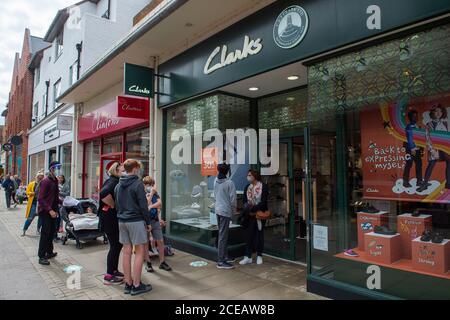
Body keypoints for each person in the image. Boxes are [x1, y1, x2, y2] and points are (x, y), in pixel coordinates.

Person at [115, 159, 152, 296]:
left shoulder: (118, 185)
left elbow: (117, 204)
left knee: (126, 252)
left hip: (122, 221)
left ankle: (128, 283)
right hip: (135, 220)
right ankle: (136, 285)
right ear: (135, 168)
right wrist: (148, 223)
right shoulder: (137, 184)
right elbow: (143, 206)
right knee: (140, 252)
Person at [99, 161, 125, 285]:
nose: (124, 172)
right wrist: (113, 205)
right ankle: (109, 275)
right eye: (122, 170)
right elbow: (103, 193)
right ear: (116, 171)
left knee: (117, 245)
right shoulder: (113, 181)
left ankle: (114, 270)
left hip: (110, 219)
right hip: (110, 219)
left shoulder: (113, 180)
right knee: (115, 246)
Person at [142, 176, 172, 273]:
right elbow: (145, 205)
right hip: (145, 221)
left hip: (155, 220)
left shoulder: (156, 194)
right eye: (148, 185)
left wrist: (152, 206)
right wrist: (151, 195)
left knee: (160, 240)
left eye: (152, 184)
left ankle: (162, 262)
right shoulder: (142, 193)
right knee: (146, 242)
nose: (150, 186)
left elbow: (160, 203)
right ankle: (148, 262)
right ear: (145, 185)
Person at [418, 104, 450, 192]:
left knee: (449, 161)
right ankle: (425, 184)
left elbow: (447, 136)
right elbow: (427, 138)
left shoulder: (445, 123)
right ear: (432, 113)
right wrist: (432, 150)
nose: (439, 113)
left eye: (440, 111)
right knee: (431, 163)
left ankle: (448, 183)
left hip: (444, 148)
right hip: (434, 148)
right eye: (436, 111)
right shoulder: (429, 124)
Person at [239, 170, 269, 266]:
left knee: (259, 236)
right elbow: (244, 202)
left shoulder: (263, 186)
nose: (248, 177)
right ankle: (247, 257)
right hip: (249, 216)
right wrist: (248, 210)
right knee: (249, 236)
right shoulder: (247, 187)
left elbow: (264, 202)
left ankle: (259, 255)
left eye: (249, 175)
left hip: (259, 214)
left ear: (255, 176)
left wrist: (253, 208)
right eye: (247, 175)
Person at [37, 161, 62, 265]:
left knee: (52, 232)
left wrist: (64, 201)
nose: (58, 170)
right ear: (51, 169)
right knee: (45, 233)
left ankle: (49, 252)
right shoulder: (45, 181)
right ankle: (41, 256)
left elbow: (55, 197)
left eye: (59, 168)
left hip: (53, 210)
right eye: (56, 168)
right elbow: (41, 199)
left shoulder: (55, 180)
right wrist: (50, 210)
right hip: (46, 211)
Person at [214, 163, 237, 269]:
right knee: (223, 236)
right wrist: (233, 212)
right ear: (227, 171)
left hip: (218, 210)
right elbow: (233, 201)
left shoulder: (215, 180)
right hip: (225, 211)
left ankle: (225, 256)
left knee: (222, 234)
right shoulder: (230, 183)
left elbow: (215, 195)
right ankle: (221, 261)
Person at [403, 110, 424, 188]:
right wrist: (412, 148)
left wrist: (421, 148)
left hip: (417, 148)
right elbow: (409, 138)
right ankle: (405, 182)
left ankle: (419, 181)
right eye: (414, 116)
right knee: (409, 164)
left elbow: (420, 138)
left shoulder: (417, 126)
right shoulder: (408, 127)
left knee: (419, 165)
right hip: (410, 149)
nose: (415, 118)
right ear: (410, 118)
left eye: (416, 116)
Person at [22, 171, 45, 236]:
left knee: (41, 217)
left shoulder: (43, 184)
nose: (40, 179)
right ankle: (24, 229)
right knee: (30, 217)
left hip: (41, 203)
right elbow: (27, 192)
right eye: (39, 177)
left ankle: (38, 230)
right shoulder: (32, 184)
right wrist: (33, 193)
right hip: (33, 203)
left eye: (41, 178)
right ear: (37, 177)